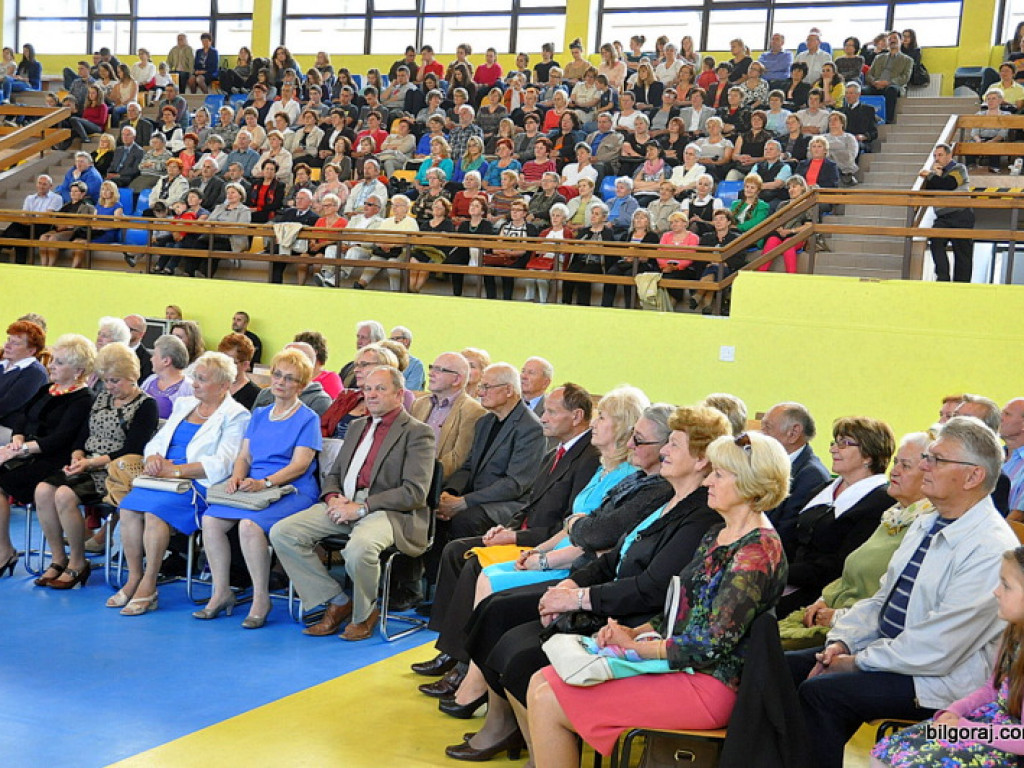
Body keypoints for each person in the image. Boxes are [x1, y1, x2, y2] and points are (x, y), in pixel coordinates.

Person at [444, 404, 730, 761]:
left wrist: (578, 598)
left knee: (517, 654)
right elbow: (612, 557)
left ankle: (539, 746)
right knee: (497, 621)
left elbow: (650, 588)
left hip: (630, 617)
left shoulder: (699, 514)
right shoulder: (671, 500)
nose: (664, 451)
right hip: (608, 599)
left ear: (702, 460)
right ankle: (521, 736)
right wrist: (569, 587)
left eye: (674, 444)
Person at [527, 430, 790, 765]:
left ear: (751, 484)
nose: (708, 481)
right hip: (684, 668)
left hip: (711, 684)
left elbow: (709, 645)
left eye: (720, 475)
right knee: (541, 679)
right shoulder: (719, 533)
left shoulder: (756, 551)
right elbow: (682, 609)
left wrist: (637, 647)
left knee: (550, 699)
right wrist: (633, 633)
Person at [791, 416, 1019, 768]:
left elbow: (938, 646)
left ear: (973, 476)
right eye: (927, 457)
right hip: (892, 654)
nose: (925, 466)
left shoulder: (989, 547)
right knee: (783, 668)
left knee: (821, 695)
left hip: (936, 678)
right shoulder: (926, 521)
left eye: (937, 459)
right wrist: (843, 644)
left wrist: (857, 663)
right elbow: (881, 601)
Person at [270, 366, 435, 641]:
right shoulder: (358, 426)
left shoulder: (418, 433)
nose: (371, 395)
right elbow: (335, 474)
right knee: (283, 532)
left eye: (380, 389)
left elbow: (414, 493)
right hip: (344, 501)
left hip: (389, 511)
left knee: (360, 549)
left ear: (399, 394)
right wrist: (332, 497)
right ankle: (337, 601)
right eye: (367, 389)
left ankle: (364, 613)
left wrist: (362, 507)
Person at [111, 351, 250, 615]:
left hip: (196, 483)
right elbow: (158, 441)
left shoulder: (237, 415)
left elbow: (223, 464)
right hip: (160, 478)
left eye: (202, 379)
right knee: (127, 509)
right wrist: (153, 458)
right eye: (195, 377)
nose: (194, 383)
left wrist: (175, 471)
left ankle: (149, 584)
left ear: (223, 385)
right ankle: (134, 577)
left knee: (154, 514)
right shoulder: (185, 404)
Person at [199, 349, 320, 628]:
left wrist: (265, 483)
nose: (280, 382)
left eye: (289, 378)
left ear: (301, 386)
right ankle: (221, 591)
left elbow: (300, 465)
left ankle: (261, 598)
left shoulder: (308, 418)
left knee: (248, 525)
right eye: (277, 375)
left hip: (292, 489)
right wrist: (236, 477)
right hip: (254, 486)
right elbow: (244, 456)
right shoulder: (260, 414)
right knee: (211, 520)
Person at [779, 432, 934, 650]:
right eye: (896, 462)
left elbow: (887, 598)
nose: (894, 471)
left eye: (905, 466)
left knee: (765, 648)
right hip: (828, 607)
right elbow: (848, 572)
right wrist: (822, 600)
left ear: (929, 474)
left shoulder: (923, 524)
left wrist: (836, 615)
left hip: (857, 630)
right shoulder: (894, 514)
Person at [32, 343, 158, 590]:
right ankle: (58, 558)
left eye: (115, 381)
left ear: (132, 376)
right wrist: (77, 456)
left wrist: (90, 463)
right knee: (42, 491)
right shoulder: (102, 398)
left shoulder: (146, 405)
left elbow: (132, 449)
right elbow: (83, 435)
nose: (109, 387)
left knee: (64, 494)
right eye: (106, 381)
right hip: (87, 464)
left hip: (116, 471)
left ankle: (78, 562)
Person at [775, 415, 895, 616]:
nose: (833, 449)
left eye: (844, 444)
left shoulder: (881, 501)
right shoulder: (822, 490)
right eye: (834, 443)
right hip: (789, 580)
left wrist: (776, 572)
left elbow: (841, 566)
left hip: (824, 597)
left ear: (868, 455)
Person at [0, 334, 95, 574]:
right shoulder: (47, 389)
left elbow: (59, 440)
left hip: (55, 459)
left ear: (78, 371)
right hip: (30, 453)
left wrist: (19, 451)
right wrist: (16, 440)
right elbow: (22, 418)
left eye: (59, 362)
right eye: (53, 360)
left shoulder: (83, 399)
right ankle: (4, 549)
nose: (51, 366)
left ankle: (59, 557)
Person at [759, 400, 831, 549]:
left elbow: (786, 535)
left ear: (793, 433)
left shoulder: (811, 476)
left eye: (767, 427)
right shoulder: (771, 463)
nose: (761, 433)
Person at [920, 143, 974, 283]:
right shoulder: (936, 174)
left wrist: (931, 175)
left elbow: (949, 185)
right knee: (936, 240)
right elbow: (929, 192)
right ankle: (943, 277)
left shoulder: (959, 168)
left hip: (961, 214)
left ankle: (962, 285)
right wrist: (934, 175)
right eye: (935, 156)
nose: (937, 158)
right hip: (943, 217)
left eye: (940, 155)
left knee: (962, 252)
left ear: (949, 155)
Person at [139, 334, 193, 419]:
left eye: (155, 355)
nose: (151, 359)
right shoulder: (149, 380)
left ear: (166, 361)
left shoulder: (189, 388)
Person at [864, 31, 913, 124]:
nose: (892, 40)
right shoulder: (878, 58)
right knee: (863, 90)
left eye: (895, 38)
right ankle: (864, 119)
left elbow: (905, 77)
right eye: (889, 39)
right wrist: (874, 82)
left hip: (894, 85)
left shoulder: (907, 60)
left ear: (901, 40)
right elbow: (869, 74)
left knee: (891, 90)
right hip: (876, 84)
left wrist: (888, 82)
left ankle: (888, 120)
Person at [218, 333, 260, 410]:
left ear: (245, 365)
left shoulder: (255, 396)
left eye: (230, 362)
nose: (223, 365)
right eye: (221, 360)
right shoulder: (214, 386)